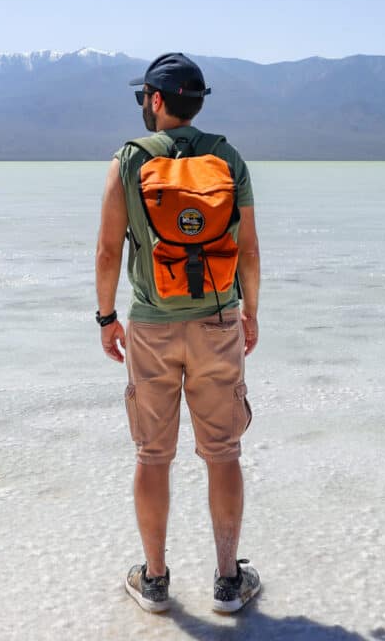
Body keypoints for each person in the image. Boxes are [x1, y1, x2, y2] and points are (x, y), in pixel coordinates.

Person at [95, 52, 261, 615]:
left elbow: (107, 249)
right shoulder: (228, 156)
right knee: (223, 453)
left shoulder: (128, 160)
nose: (144, 104)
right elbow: (251, 249)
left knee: (152, 454)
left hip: (152, 326)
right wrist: (251, 313)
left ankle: (156, 581)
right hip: (219, 322)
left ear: (158, 100)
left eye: (145, 95)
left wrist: (105, 317)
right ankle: (228, 582)